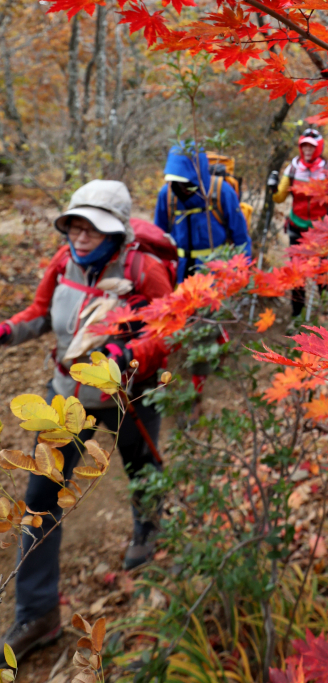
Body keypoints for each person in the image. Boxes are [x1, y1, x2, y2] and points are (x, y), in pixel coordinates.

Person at [0, 180, 174, 662]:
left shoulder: (146, 269)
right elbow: (40, 310)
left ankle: (148, 530)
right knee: (40, 501)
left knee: (141, 471)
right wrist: (9, 329)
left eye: (92, 229)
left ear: (115, 232)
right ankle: (38, 614)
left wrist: (128, 351)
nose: (80, 236)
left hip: (127, 397)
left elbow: (168, 329)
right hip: (67, 399)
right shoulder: (64, 262)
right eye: (75, 225)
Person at [154, 145, 252, 283]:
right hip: (178, 273)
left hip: (216, 274)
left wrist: (241, 274)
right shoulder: (167, 195)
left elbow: (241, 238)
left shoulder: (222, 192)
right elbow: (157, 238)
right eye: (176, 182)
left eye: (186, 182)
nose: (181, 187)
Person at [271, 128, 328, 318]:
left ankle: (326, 312)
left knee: (322, 272)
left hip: (321, 231)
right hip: (297, 227)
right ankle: (297, 315)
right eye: (304, 145)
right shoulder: (292, 169)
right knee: (296, 273)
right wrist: (273, 187)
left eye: (311, 146)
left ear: (319, 147)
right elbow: (279, 198)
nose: (307, 149)